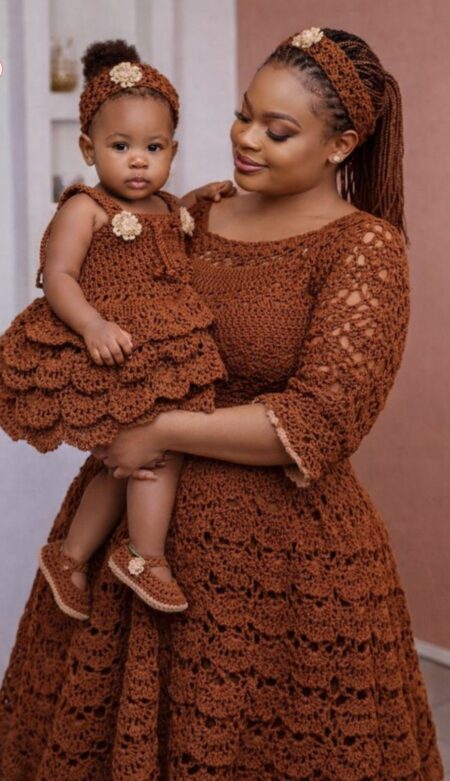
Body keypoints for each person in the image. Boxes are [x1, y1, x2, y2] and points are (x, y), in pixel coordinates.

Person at [0, 26, 444, 781]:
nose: (245, 140)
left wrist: (159, 428)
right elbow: (101, 298)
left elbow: (320, 420)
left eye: (277, 131)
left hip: (284, 575)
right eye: (244, 115)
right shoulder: (194, 212)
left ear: (339, 146)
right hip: (136, 552)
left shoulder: (363, 250)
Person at [0, 39, 234, 618]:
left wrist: (199, 199)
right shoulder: (86, 208)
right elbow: (56, 276)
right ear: (88, 147)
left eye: (153, 148)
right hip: (109, 352)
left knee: (132, 458)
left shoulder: (165, 205)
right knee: (155, 454)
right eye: (121, 146)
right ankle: (144, 556)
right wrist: (92, 324)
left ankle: (73, 556)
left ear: (172, 152)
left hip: (151, 355)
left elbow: (182, 222)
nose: (138, 160)